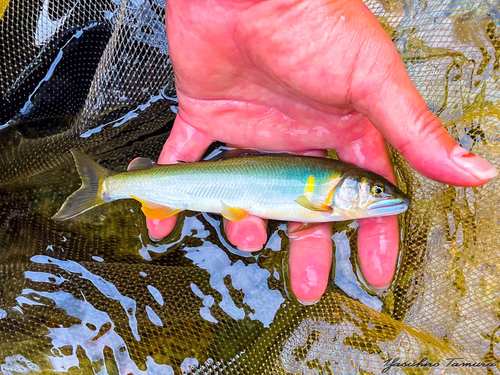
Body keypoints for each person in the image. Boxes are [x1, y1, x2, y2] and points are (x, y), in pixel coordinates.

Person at [147, 0, 498, 305]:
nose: (380, 194)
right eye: (376, 190)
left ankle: (113, 186)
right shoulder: (325, 203)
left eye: (377, 190)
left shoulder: (330, 198)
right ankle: (110, 186)